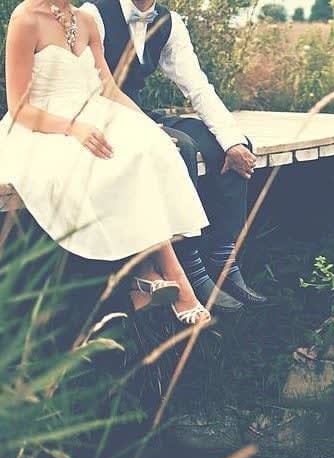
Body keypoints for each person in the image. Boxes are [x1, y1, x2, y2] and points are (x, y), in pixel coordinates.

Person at [0, 0, 212, 325]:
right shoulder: (25, 19)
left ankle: (147, 275)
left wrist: (149, 127)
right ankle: (174, 279)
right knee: (105, 163)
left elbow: (109, 89)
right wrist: (72, 127)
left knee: (150, 148)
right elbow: (18, 107)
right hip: (43, 125)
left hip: (94, 113)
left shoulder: (85, 20)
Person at [80, 0, 268, 313]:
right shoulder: (94, 14)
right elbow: (90, 85)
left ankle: (223, 256)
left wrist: (232, 141)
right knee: (180, 147)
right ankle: (190, 266)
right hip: (102, 120)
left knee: (227, 143)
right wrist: (145, 128)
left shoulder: (169, 22)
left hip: (140, 112)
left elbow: (197, 87)